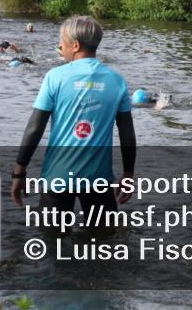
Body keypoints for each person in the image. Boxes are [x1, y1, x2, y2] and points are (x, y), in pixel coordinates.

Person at [11, 16, 136, 235]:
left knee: (51, 247)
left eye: (63, 42)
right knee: (103, 247)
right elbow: (127, 134)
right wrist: (127, 175)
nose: (61, 46)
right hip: (99, 181)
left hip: (58, 178)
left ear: (76, 45)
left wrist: (19, 172)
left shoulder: (55, 77)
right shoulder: (117, 81)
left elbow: (35, 128)